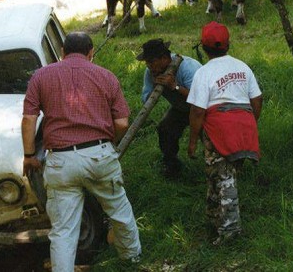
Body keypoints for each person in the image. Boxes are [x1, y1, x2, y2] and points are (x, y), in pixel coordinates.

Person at [22, 32, 141, 272]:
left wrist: (29, 155)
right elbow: (122, 124)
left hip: (61, 161)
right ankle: (132, 261)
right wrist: (109, 144)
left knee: (64, 229)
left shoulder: (41, 76)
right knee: (119, 211)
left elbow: (28, 119)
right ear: (91, 52)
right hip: (99, 154)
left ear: (62, 52)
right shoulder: (106, 76)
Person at [186, 21, 263, 245]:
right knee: (217, 175)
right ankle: (213, 218)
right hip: (244, 126)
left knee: (224, 178)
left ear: (203, 46)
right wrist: (249, 123)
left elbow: (198, 111)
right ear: (228, 44)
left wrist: (192, 141)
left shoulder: (203, 72)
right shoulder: (243, 67)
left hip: (219, 130)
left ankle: (230, 232)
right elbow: (257, 99)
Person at [137, 38, 202, 178]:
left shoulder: (189, 68)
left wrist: (175, 87)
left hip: (203, 109)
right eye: (147, 62)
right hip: (180, 108)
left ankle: (217, 164)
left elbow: (200, 99)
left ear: (165, 58)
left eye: (151, 62)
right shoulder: (151, 73)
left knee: (209, 136)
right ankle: (172, 166)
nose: (149, 66)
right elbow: (146, 100)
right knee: (165, 129)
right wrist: (154, 86)